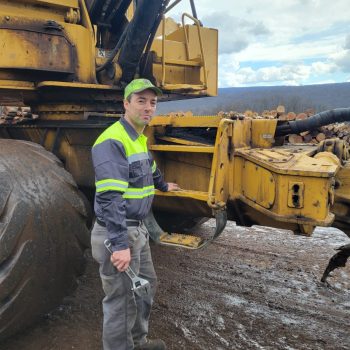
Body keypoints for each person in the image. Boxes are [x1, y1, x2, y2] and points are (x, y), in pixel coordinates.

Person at [91, 78, 179, 350]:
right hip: (118, 233)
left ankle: (138, 342)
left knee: (146, 286)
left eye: (153, 102)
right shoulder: (112, 141)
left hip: (137, 230)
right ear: (125, 103)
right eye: (141, 101)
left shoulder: (138, 138)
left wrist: (163, 185)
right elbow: (110, 197)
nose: (148, 107)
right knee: (122, 301)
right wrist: (119, 245)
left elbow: (149, 168)